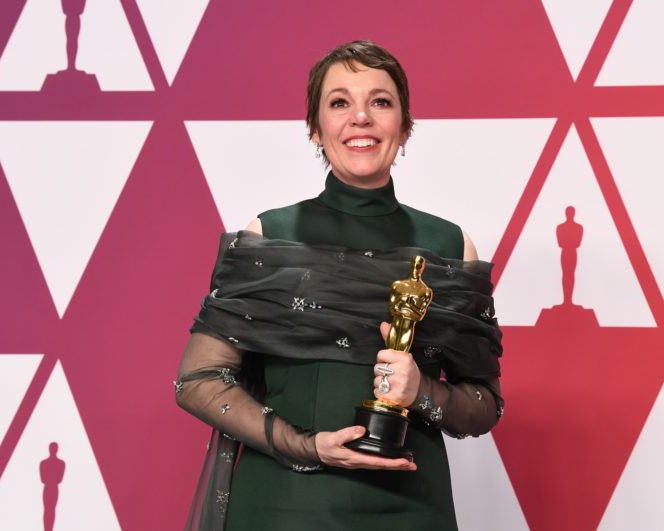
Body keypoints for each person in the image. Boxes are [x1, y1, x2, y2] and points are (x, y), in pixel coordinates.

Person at [176, 40, 504, 531]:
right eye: (339, 102)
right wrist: (308, 447)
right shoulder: (269, 234)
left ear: (406, 125)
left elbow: (485, 404)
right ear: (315, 128)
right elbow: (197, 381)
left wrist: (423, 393)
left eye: (380, 101)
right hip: (283, 507)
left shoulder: (451, 246)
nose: (361, 118)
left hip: (413, 509)